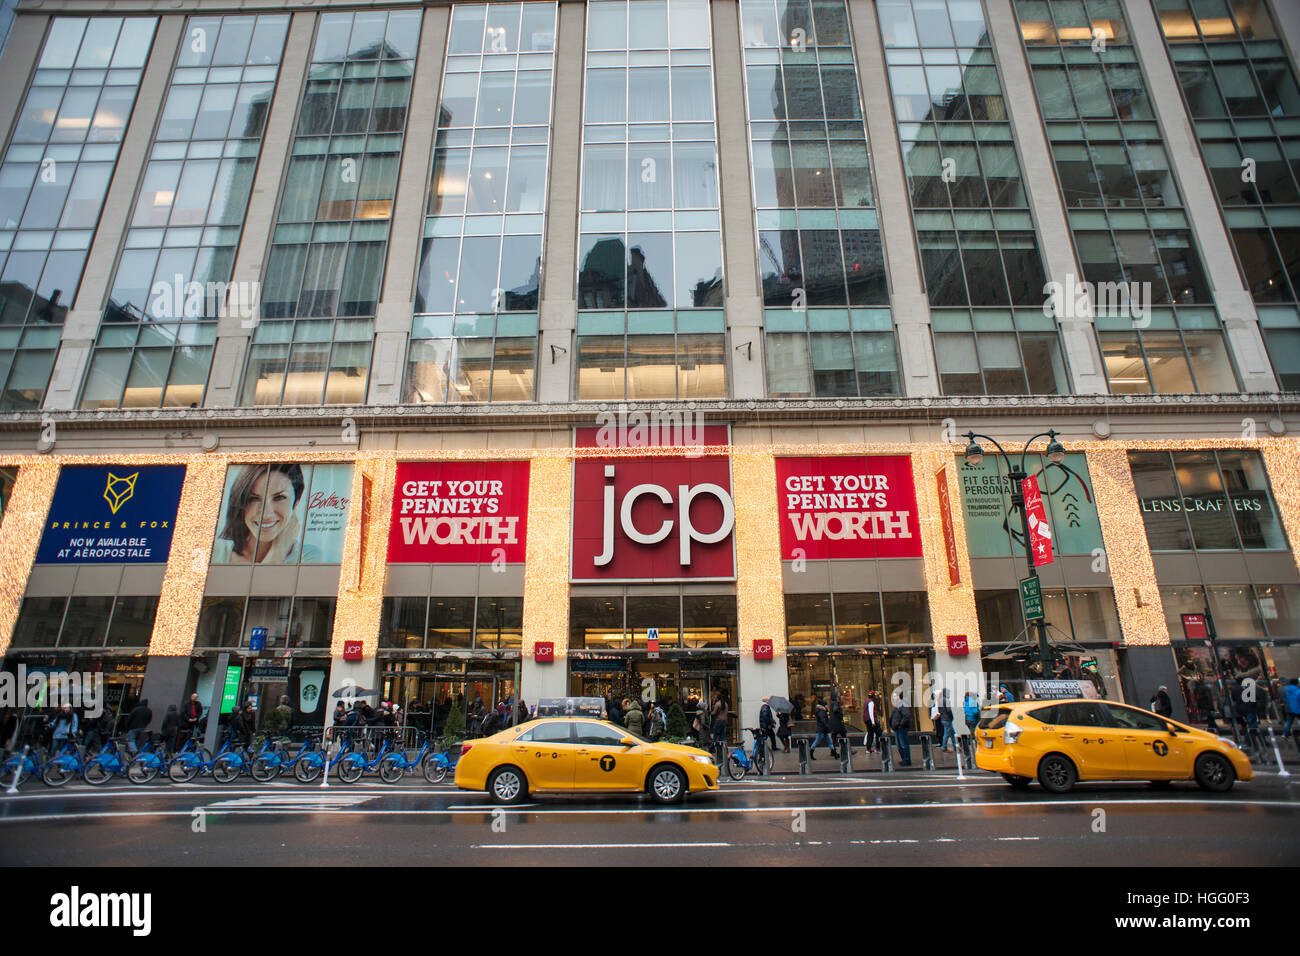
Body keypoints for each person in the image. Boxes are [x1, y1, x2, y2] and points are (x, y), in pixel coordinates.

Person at [213, 464, 319, 564]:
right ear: (241, 503)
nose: (266, 514)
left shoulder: (308, 557)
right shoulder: (214, 551)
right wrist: (278, 552)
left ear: (296, 502)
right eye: (254, 499)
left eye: (279, 498)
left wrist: (281, 547)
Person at [890, 695, 912, 766]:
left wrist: (900, 724)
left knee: (903, 744)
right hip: (897, 728)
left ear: (899, 697)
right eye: (893, 696)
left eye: (895, 696)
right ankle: (904, 759)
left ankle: (907, 760)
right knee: (899, 745)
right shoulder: (896, 706)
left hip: (901, 728)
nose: (894, 698)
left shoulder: (902, 704)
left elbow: (907, 715)